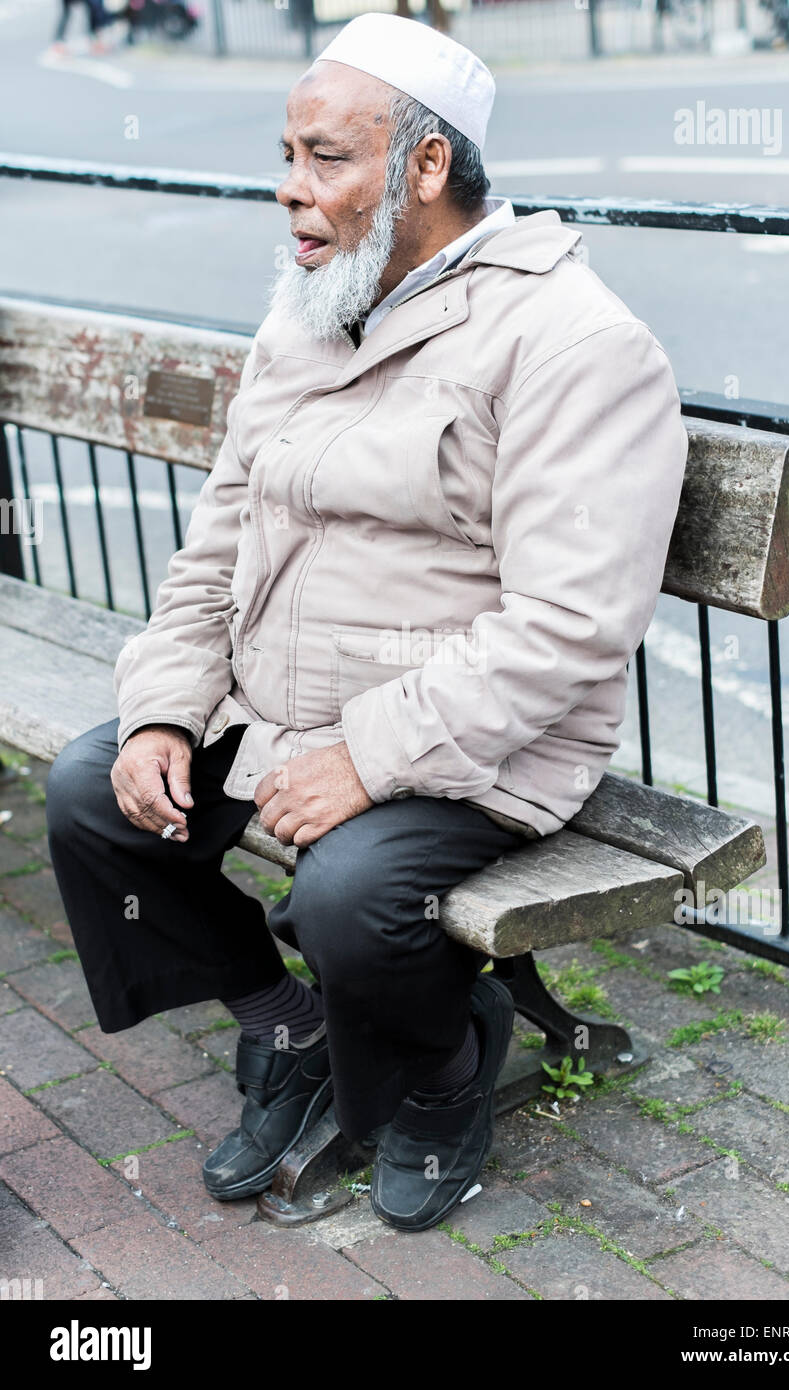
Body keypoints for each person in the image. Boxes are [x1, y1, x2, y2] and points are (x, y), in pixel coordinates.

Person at [44, 13, 689, 1233]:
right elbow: (217, 539)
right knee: (94, 794)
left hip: (472, 742)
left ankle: (446, 1079)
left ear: (426, 167)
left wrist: (368, 756)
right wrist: (165, 709)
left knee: (346, 894)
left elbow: (566, 627)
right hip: (276, 704)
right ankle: (288, 1033)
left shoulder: (572, 340)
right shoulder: (310, 303)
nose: (291, 190)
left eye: (325, 157)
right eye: (285, 154)